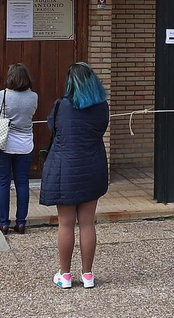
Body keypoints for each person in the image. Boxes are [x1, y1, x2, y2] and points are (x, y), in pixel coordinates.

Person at [39, 62, 109, 289]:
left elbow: (53, 127)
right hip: (93, 166)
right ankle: (88, 275)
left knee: (66, 224)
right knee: (88, 223)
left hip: (65, 170)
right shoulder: (102, 107)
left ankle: (65, 275)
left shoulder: (61, 105)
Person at [0, 62, 38, 234]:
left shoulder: (3, 95)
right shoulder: (33, 97)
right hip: (25, 144)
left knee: (2, 183)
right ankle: (21, 222)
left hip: (3, 143)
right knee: (22, 183)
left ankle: (4, 223)